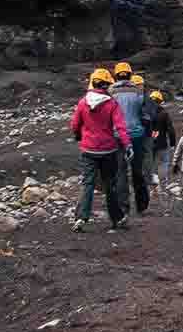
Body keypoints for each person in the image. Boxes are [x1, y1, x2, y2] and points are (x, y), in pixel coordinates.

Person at [68, 68, 132, 233]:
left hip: (88, 150)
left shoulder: (83, 102)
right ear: (107, 85)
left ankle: (81, 217)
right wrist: (127, 145)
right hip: (108, 150)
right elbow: (120, 127)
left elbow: (75, 125)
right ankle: (117, 218)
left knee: (87, 184)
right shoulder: (112, 104)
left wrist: (78, 135)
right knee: (110, 185)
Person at [110, 65, 150, 216]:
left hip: (117, 136)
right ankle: (142, 205)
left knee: (120, 171)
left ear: (116, 75)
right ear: (130, 75)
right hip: (137, 135)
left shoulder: (111, 91)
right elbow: (145, 114)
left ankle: (123, 207)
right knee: (137, 170)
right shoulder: (138, 91)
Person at [146, 90, 177, 191]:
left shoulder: (145, 112)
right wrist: (172, 143)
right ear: (160, 101)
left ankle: (149, 183)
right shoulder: (164, 113)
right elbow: (171, 130)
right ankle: (162, 184)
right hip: (161, 143)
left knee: (149, 163)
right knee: (163, 163)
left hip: (148, 143)